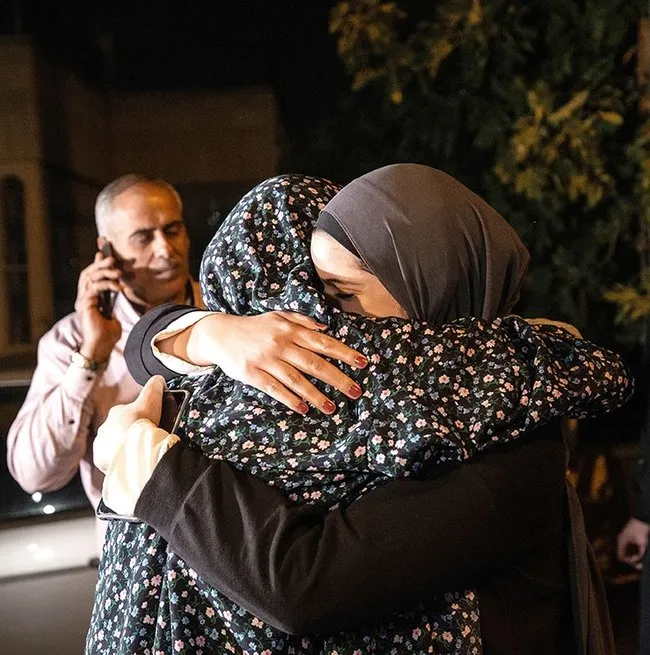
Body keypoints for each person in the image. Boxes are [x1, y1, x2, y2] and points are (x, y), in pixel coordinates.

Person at [89, 167, 631, 654]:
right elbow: (144, 346)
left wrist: (155, 467)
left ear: (425, 285)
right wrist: (213, 333)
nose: (321, 317)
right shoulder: (399, 399)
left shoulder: (506, 442)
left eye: (341, 294)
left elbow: (308, 583)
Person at [5, 174, 205, 518]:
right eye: (143, 237)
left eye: (172, 230)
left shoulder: (226, 311)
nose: (165, 250)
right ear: (107, 251)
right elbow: (35, 475)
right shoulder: (70, 340)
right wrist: (91, 356)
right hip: (135, 542)